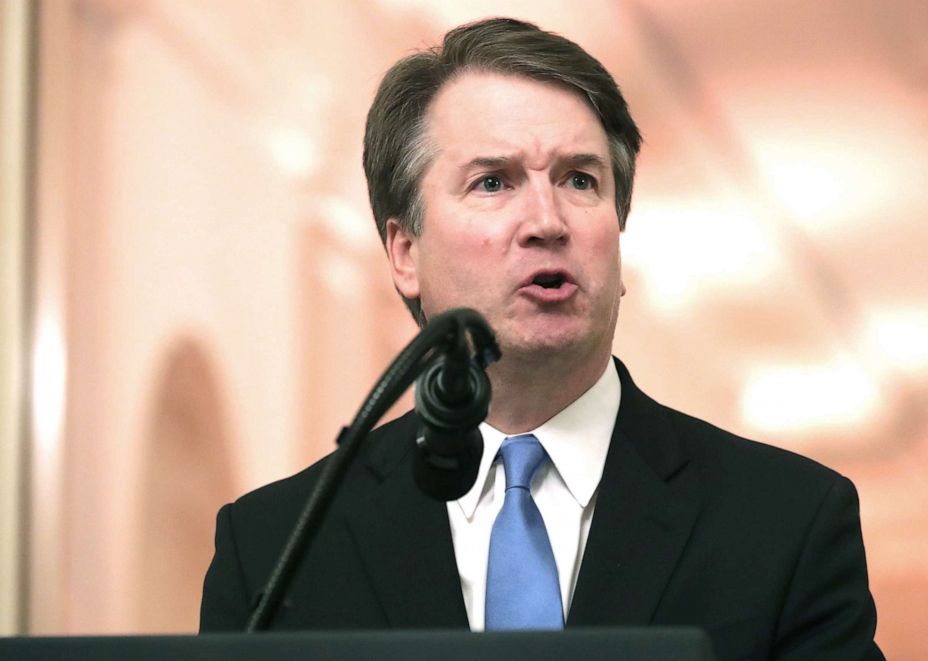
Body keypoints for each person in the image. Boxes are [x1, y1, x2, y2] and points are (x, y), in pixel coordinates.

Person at [200, 17, 883, 659]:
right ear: (404, 252)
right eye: (493, 182)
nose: (546, 220)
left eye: (579, 180)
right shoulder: (272, 547)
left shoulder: (785, 522)